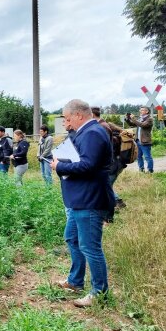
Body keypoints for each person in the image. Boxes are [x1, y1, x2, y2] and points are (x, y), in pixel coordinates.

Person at [51, 99, 115, 308]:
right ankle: (75, 281)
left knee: (90, 246)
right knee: (72, 238)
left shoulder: (93, 133)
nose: (67, 124)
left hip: (90, 199)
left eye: (68, 119)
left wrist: (60, 165)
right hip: (80, 199)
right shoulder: (87, 133)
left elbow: (87, 165)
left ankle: (99, 292)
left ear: (79, 115)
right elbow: (84, 161)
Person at [92, 107, 126, 209]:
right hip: (114, 163)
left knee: (104, 186)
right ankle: (117, 203)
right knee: (106, 185)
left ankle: (111, 208)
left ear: (92, 115)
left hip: (112, 164)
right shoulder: (104, 126)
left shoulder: (102, 127)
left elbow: (104, 148)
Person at [125, 107, 154, 173]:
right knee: (138, 156)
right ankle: (141, 169)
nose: (140, 111)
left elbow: (142, 125)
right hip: (138, 140)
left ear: (147, 111)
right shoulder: (140, 119)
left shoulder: (149, 119)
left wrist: (134, 118)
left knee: (147, 157)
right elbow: (132, 124)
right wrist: (128, 119)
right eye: (140, 110)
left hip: (145, 141)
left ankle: (150, 170)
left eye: (142, 110)